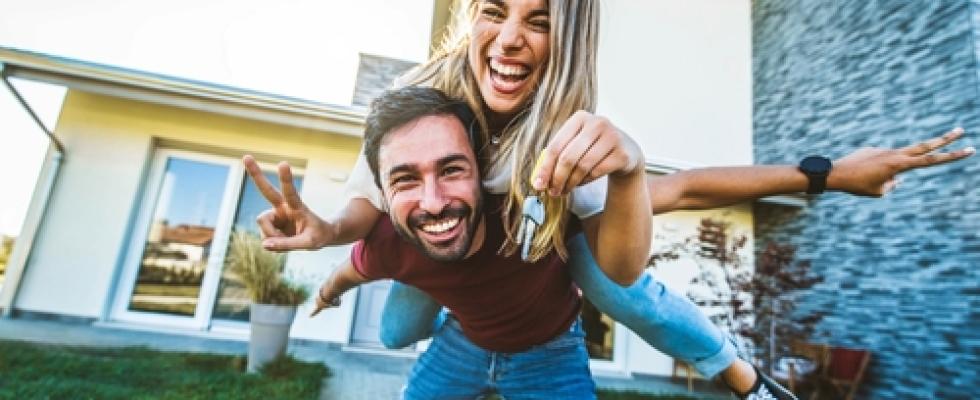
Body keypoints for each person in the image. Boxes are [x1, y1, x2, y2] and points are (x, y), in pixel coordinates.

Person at [244, 0, 975, 398]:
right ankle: (430, 287)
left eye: (539, 19)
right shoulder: (418, 118)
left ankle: (742, 376)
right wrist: (327, 239)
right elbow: (365, 213)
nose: (511, 38)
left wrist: (827, 173)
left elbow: (682, 189)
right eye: (496, 12)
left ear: (565, 37)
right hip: (455, 314)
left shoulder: (565, 148)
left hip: (545, 334)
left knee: (606, 277)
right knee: (397, 312)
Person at [307, 86, 650, 399]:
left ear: (483, 172)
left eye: (451, 170)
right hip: (462, 343)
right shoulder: (390, 242)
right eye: (406, 179)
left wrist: (632, 169)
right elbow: (348, 273)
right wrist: (324, 296)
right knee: (395, 335)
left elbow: (639, 203)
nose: (433, 203)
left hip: (551, 350)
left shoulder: (537, 205)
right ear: (381, 194)